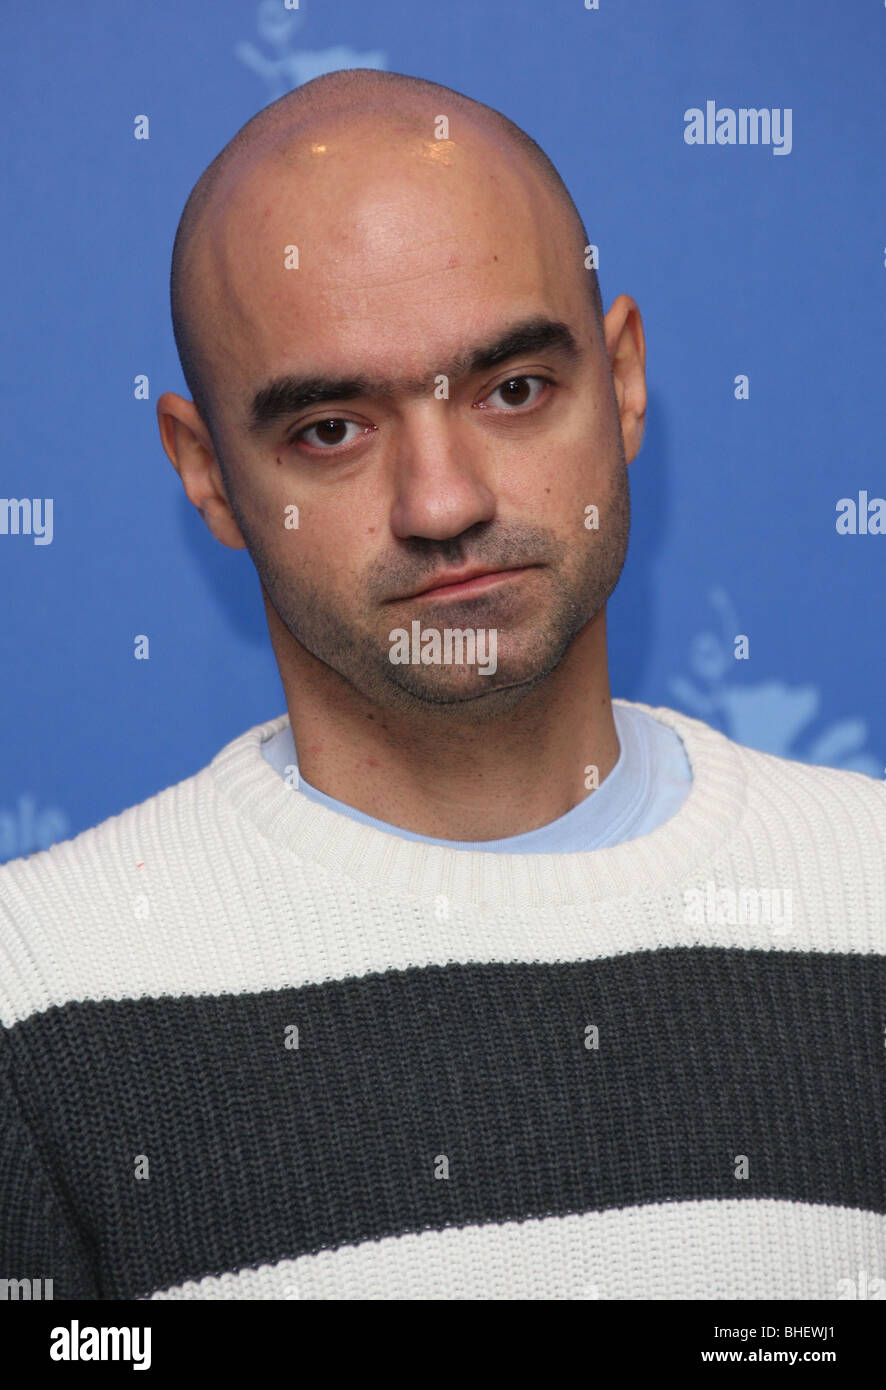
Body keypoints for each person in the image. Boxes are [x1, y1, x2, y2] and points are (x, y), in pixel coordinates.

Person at [0, 68, 882, 1302]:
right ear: (206, 475)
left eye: (512, 391)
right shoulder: (33, 993)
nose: (442, 502)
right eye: (331, 429)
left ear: (623, 382)